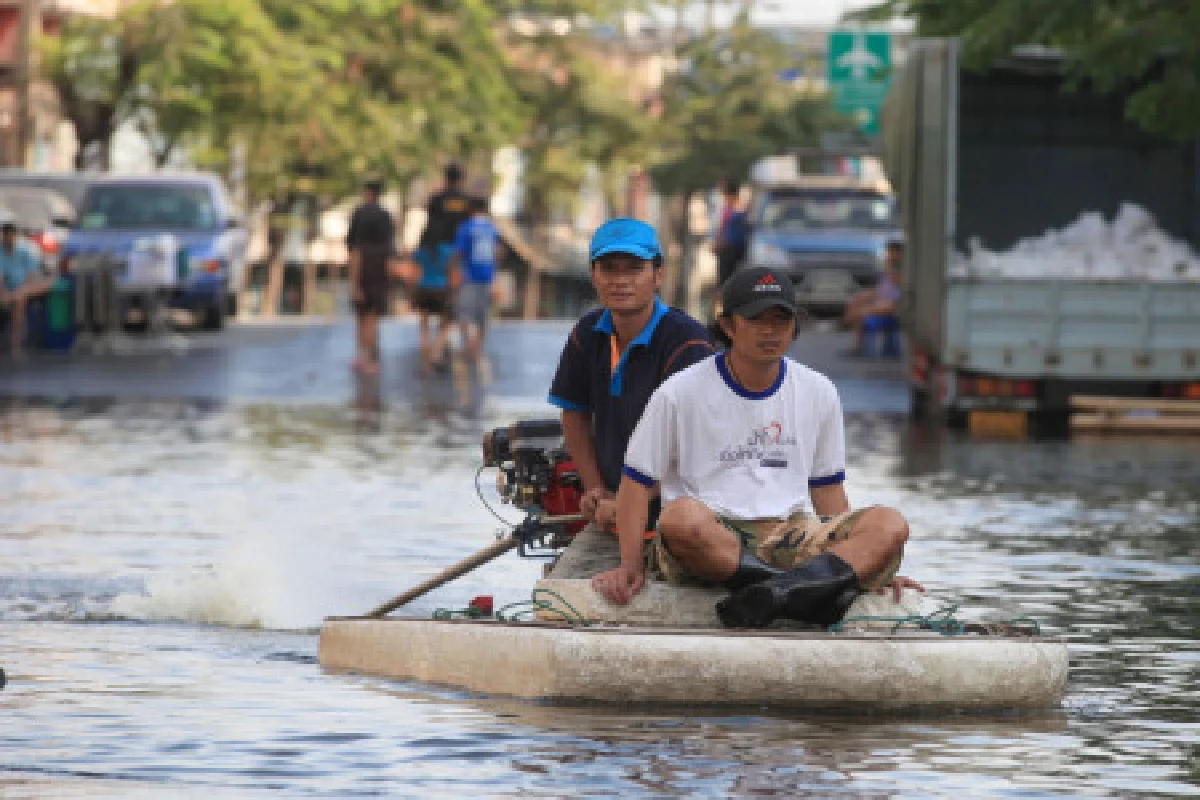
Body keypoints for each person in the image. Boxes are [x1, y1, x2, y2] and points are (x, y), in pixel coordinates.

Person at [591, 266, 921, 628]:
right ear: (729, 326)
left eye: (780, 320)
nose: (769, 331)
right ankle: (808, 591)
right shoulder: (679, 391)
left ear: (794, 327)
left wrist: (865, 562)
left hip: (790, 534)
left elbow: (827, 489)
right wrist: (630, 566)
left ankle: (780, 593)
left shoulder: (819, 390)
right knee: (680, 518)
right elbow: (636, 482)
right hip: (712, 534)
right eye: (756, 319)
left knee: (890, 524)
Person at [545, 218, 715, 579]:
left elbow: (698, 446)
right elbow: (573, 414)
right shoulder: (587, 333)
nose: (620, 281)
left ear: (658, 275)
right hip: (612, 518)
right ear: (594, 275)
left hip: (682, 517)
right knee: (557, 600)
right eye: (609, 269)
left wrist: (628, 501)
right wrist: (594, 487)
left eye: (635, 269)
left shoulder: (687, 342)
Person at [414, 163, 471, 374]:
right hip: (452, 258)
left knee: (425, 319)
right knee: (447, 316)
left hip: (427, 274)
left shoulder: (436, 199)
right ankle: (438, 351)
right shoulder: (465, 201)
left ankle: (426, 354)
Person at [346, 178, 396, 375]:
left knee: (361, 315)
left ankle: (361, 355)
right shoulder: (385, 216)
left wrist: (354, 282)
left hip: (362, 267)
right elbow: (390, 249)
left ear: (367, 192)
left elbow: (353, 248)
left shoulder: (359, 214)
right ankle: (369, 357)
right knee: (372, 317)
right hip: (379, 269)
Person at [450, 195, 501, 376]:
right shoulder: (492, 228)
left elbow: (458, 252)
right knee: (482, 316)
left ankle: (468, 345)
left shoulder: (466, 227)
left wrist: (452, 268)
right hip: (487, 277)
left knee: (464, 313)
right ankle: (477, 348)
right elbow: (498, 252)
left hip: (469, 277)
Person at [841, 238, 903, 356]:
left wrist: (890, 269)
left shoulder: (901, 269)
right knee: (855, 303)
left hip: (894, 305)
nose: (888, 255)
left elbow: (898, 285)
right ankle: (856, 346)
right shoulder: (887, 269)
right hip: (883, 301)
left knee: (861, 312)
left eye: (891, 252)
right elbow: (881, 290)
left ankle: (848, 327)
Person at [0, 221, 53, 358]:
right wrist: (4, 293)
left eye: (10, 235)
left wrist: (19, 290)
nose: (8, 238)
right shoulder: (1, 253)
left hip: (30, 285)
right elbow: (1, 278)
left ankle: (16, 344)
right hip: (12, 288)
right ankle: (14, 343)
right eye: (5, 235)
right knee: (17, 299)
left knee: (21, 296)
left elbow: (32, 277)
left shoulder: (25, 251)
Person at [713, 178, 749, 287]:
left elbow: (722, 228)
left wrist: (718, 243)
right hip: (736, 247)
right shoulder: (740, 207)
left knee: (725, 280)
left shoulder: (732, 208)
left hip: (731, 248)